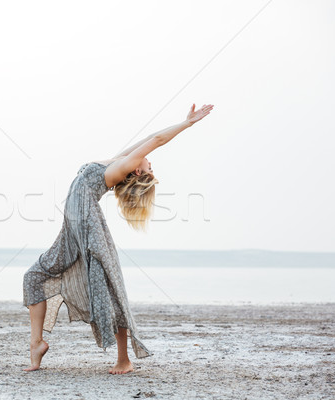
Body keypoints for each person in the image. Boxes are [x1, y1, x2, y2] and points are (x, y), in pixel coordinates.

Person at [22, 103, 214, 374]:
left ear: (135, 171)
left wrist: (188, 124)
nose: (149, 160)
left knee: (110, 289)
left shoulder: (120, 169)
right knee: (34, 276)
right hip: (74, 228)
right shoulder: (117, 162)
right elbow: (150, 138)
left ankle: (124, 360)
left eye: (147, 164)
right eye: (149, 162)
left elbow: (156, 141)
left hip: (88, 228)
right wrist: (183, 122)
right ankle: (36, 343)